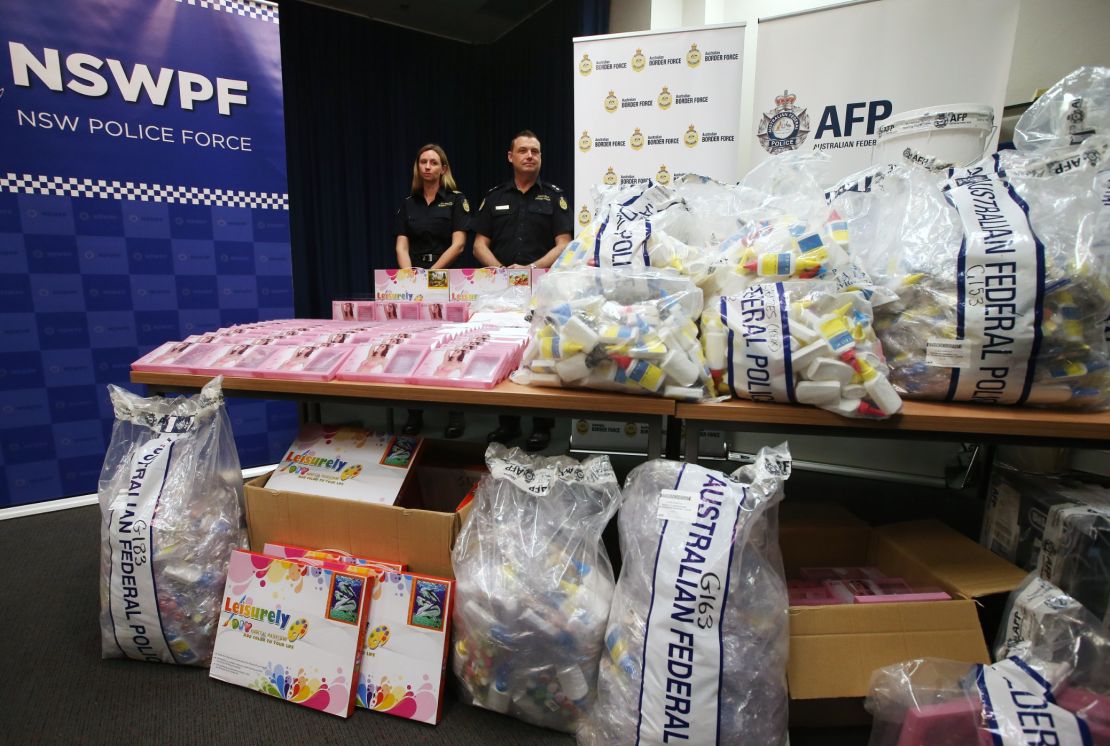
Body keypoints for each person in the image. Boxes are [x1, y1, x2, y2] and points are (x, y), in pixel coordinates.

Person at [472, 130, 572, 451]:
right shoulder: (494, 197)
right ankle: (508, 423)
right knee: (506, 352)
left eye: (536, 152)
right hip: (501, 290)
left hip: (542, 287)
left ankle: (542, 424)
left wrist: (531, 269)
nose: (530, 156)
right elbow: (479, 245)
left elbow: (564, 244)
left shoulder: (554, 197)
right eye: (524, 151)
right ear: (510, 157)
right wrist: (503, 271)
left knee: (540, 354)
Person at [394, 143, 470, 438]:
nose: (427, 166)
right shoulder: (407, 204)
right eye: (422, 161)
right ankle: (414, 413)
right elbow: (401, 245)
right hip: (413, 277)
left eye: (433, 162)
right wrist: (409, 274)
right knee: (414, 345)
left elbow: (459, 243)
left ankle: (455, 413)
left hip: (445, 277)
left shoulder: (456, 200)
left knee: (450, 346)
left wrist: (432, 273)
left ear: (443, 169)